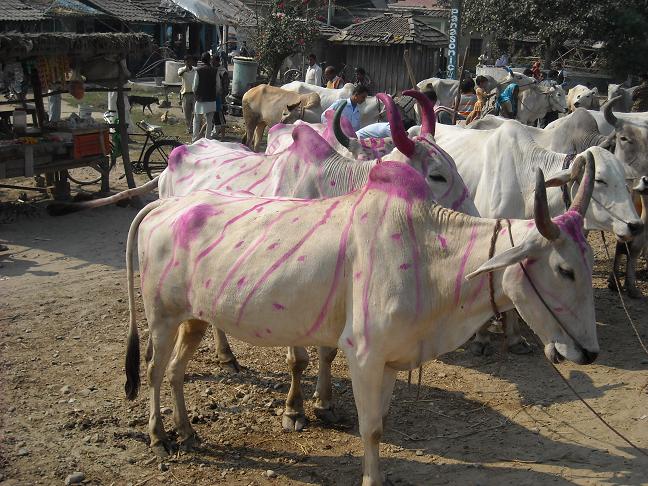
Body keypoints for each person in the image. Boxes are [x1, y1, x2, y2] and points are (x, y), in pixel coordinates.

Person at [192, 52, 218, 142]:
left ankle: (195, 139)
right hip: (211, 99)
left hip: (200, 99)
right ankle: (208, 139)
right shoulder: (215, 71)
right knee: (209, 121)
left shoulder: (198, 71)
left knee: (197, 120)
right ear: (210, 59)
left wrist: (196, 94)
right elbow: (218, 86)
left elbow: (194, 86)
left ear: (202, 60)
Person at [211, 55, 230, 139]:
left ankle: (221, 135)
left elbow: (225, 86)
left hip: (219, 97)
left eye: (213, 61)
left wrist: (222, 97)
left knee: (220, 115)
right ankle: (214, 132)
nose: (212, 62)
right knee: (212, 115)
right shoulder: (212, 69)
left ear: (217, 61)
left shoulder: (222, 71)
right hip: (212, 96)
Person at [177, 54, 196, 135]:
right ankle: (189, 129)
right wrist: (186, 68)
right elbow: (179, 74)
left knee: (195, 113)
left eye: (190, 61)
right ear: (184, 62)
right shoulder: (181, 69)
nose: (189, 62)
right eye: (187, 61)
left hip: (194, 94)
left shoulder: (195, 70)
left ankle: (195, 128)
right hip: (186, 94)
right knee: (187, 113)